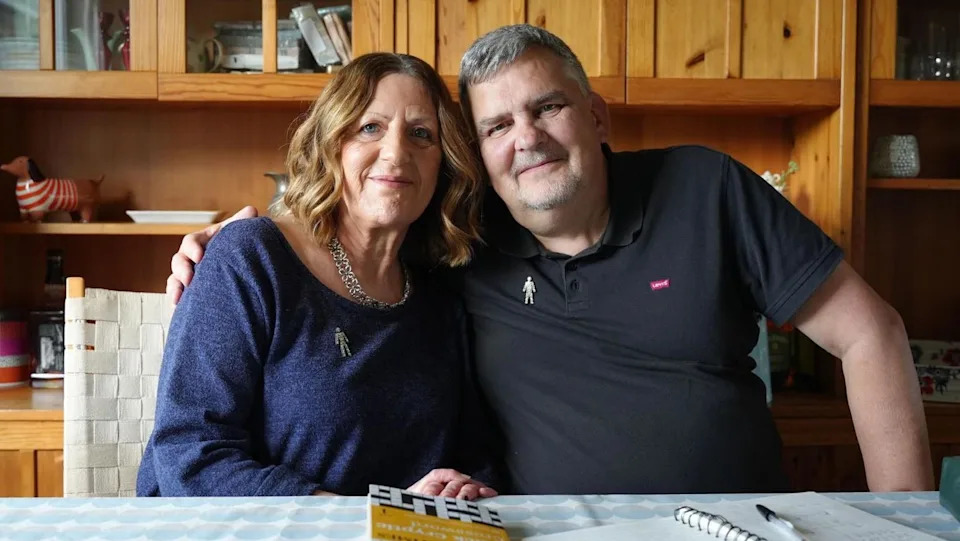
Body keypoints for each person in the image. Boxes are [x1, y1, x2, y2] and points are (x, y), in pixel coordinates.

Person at [167, 26, 933, 494]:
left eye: (549, 107)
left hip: (730, 522)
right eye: (495, 124)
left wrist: (906, 525)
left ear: (596, 117)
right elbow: (349, 228)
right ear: (481, 155)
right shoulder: (456, 244)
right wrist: (229, 242)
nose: (524, 138)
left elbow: (870, 331)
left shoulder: (700, 187)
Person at [137, 52, 499, 499]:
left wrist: (461, 491)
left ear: (444, 165)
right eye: (371, 127)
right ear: (331, 144)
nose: (397, 152)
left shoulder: (442, 296)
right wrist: (355, 516)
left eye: (422, 134)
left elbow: (473, 453)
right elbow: (189, 453)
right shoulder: (252, 259)